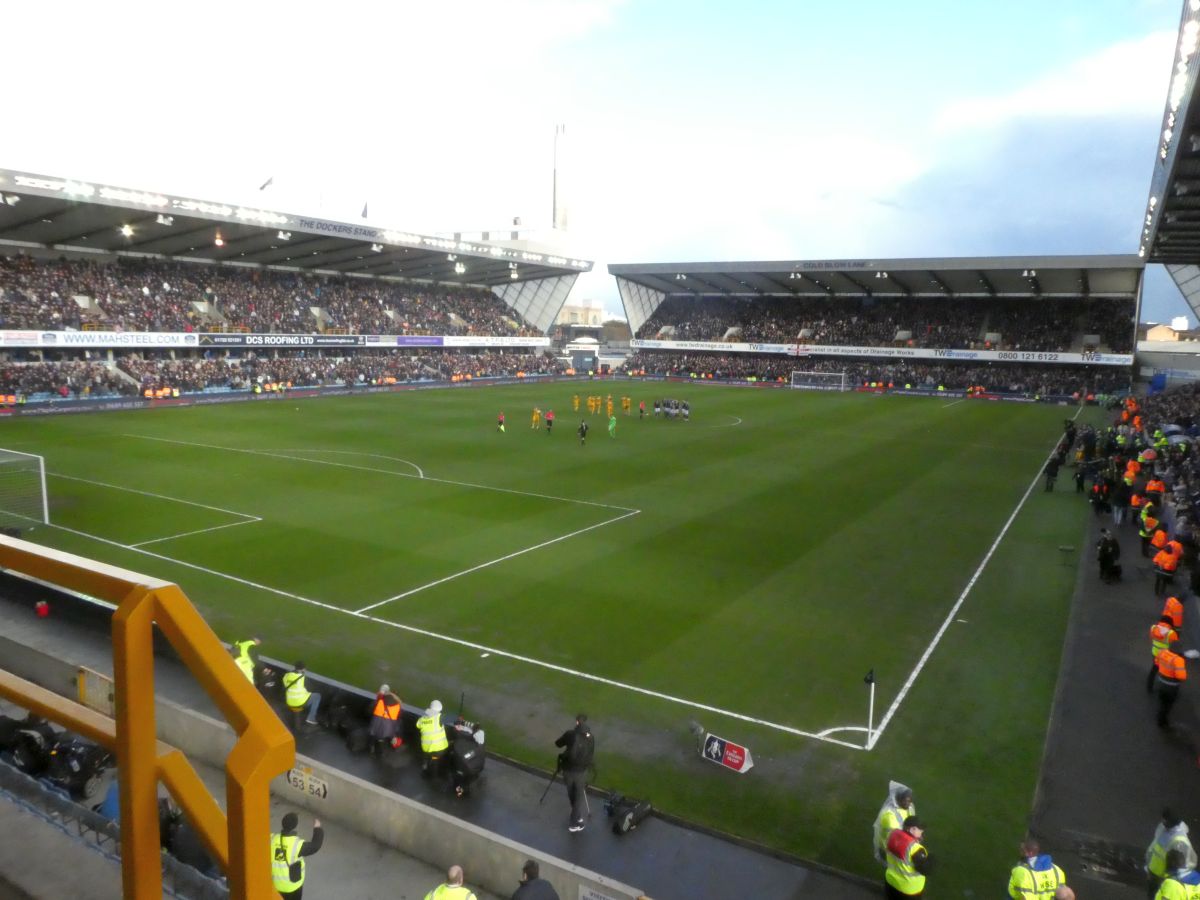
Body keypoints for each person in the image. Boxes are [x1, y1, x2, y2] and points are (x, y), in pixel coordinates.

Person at [554, 713, 594, 833]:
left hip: (567, 770)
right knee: (578, 797)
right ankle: (575, 820)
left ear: (577, 722)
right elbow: (591, 754)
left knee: (572, 794)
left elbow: (557, 744)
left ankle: (575, 820)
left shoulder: (569, 734)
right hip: (581, 771)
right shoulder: (591, 737)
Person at [270, 812, 324, 899]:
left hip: (275, 886)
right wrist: (318, 828)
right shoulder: (297, 844)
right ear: (295, 826)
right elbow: (316, 846)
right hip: (293, 886)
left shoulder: (271, 838)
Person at [1148, 810, 1198, 898]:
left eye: (1164, 820)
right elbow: (1154, 846)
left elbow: (1184, 861)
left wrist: (1172, 877)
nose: (1163, 822)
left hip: (1163, 876)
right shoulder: (1163, 829)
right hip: (1156, 874)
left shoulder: (1179, 840)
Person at [884, 815, 930, 897]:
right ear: (911, 829)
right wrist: (932, 859)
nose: (922, 831)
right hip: (909, 890)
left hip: (890, 882)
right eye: (920, 829)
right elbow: (926, 870)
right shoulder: (916, 849)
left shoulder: (891, 835)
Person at [873, 781, 916, 864]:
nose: (909, 803)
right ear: (899, 800)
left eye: (910, 800)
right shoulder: (889, 815)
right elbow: (897, 837)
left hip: (898, 845)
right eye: (906, 800)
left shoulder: (909, 807)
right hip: (888, 849)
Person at [1155, 646, 1189, 729]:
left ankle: (1161, 717)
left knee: (1162, 702)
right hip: (1171, 687)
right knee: (1167, 705)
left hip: (1161, 683)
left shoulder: (1162, 653)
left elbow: (1157, 663)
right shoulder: (1178, 660)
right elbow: (1182, 676)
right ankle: (1162, 722)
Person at [450, 724, 486, 798]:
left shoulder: (474, 750)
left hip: (469, 768)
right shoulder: (480, 746)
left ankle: (460, 791)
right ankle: (463, 790)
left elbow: (465, 758)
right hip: (476, 767)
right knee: (465, 779)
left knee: (459, 777)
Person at [282, 662, 321, 728]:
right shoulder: (302, 677)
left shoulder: (286, 676)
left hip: (289, 701)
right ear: (302, 669)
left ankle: (298, 725)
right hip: (299, 701)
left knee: (307, 695)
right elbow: (308, 687)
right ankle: (311, 718)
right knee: (317, 696)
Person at [416, 699, 449, 776]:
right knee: (435, 759)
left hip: (426, 748)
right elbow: (454, 718)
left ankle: (424, 768)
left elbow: (418, 725)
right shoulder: (440, 717)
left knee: (426, 756)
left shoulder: (422, 719)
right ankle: (433, 775)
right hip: (439, 749)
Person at [368, 684, 402, 756]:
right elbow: (398, 721)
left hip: (375, 726)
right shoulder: (398, 706)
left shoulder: (380, 701)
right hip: (387, 730)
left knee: (373, 734)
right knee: (383, 737)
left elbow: (370, 710)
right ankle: (380, 752)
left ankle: (371, 747)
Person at [1150, 616, 1181, 693]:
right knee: (1165, 671)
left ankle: (1149, 686)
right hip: (1164, 655)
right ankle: (1164, 687)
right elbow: (1176, 641)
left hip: (1154, 653)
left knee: (1154, 669)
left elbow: (1152, 636)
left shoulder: (1153, 628)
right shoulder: (1171, 633)